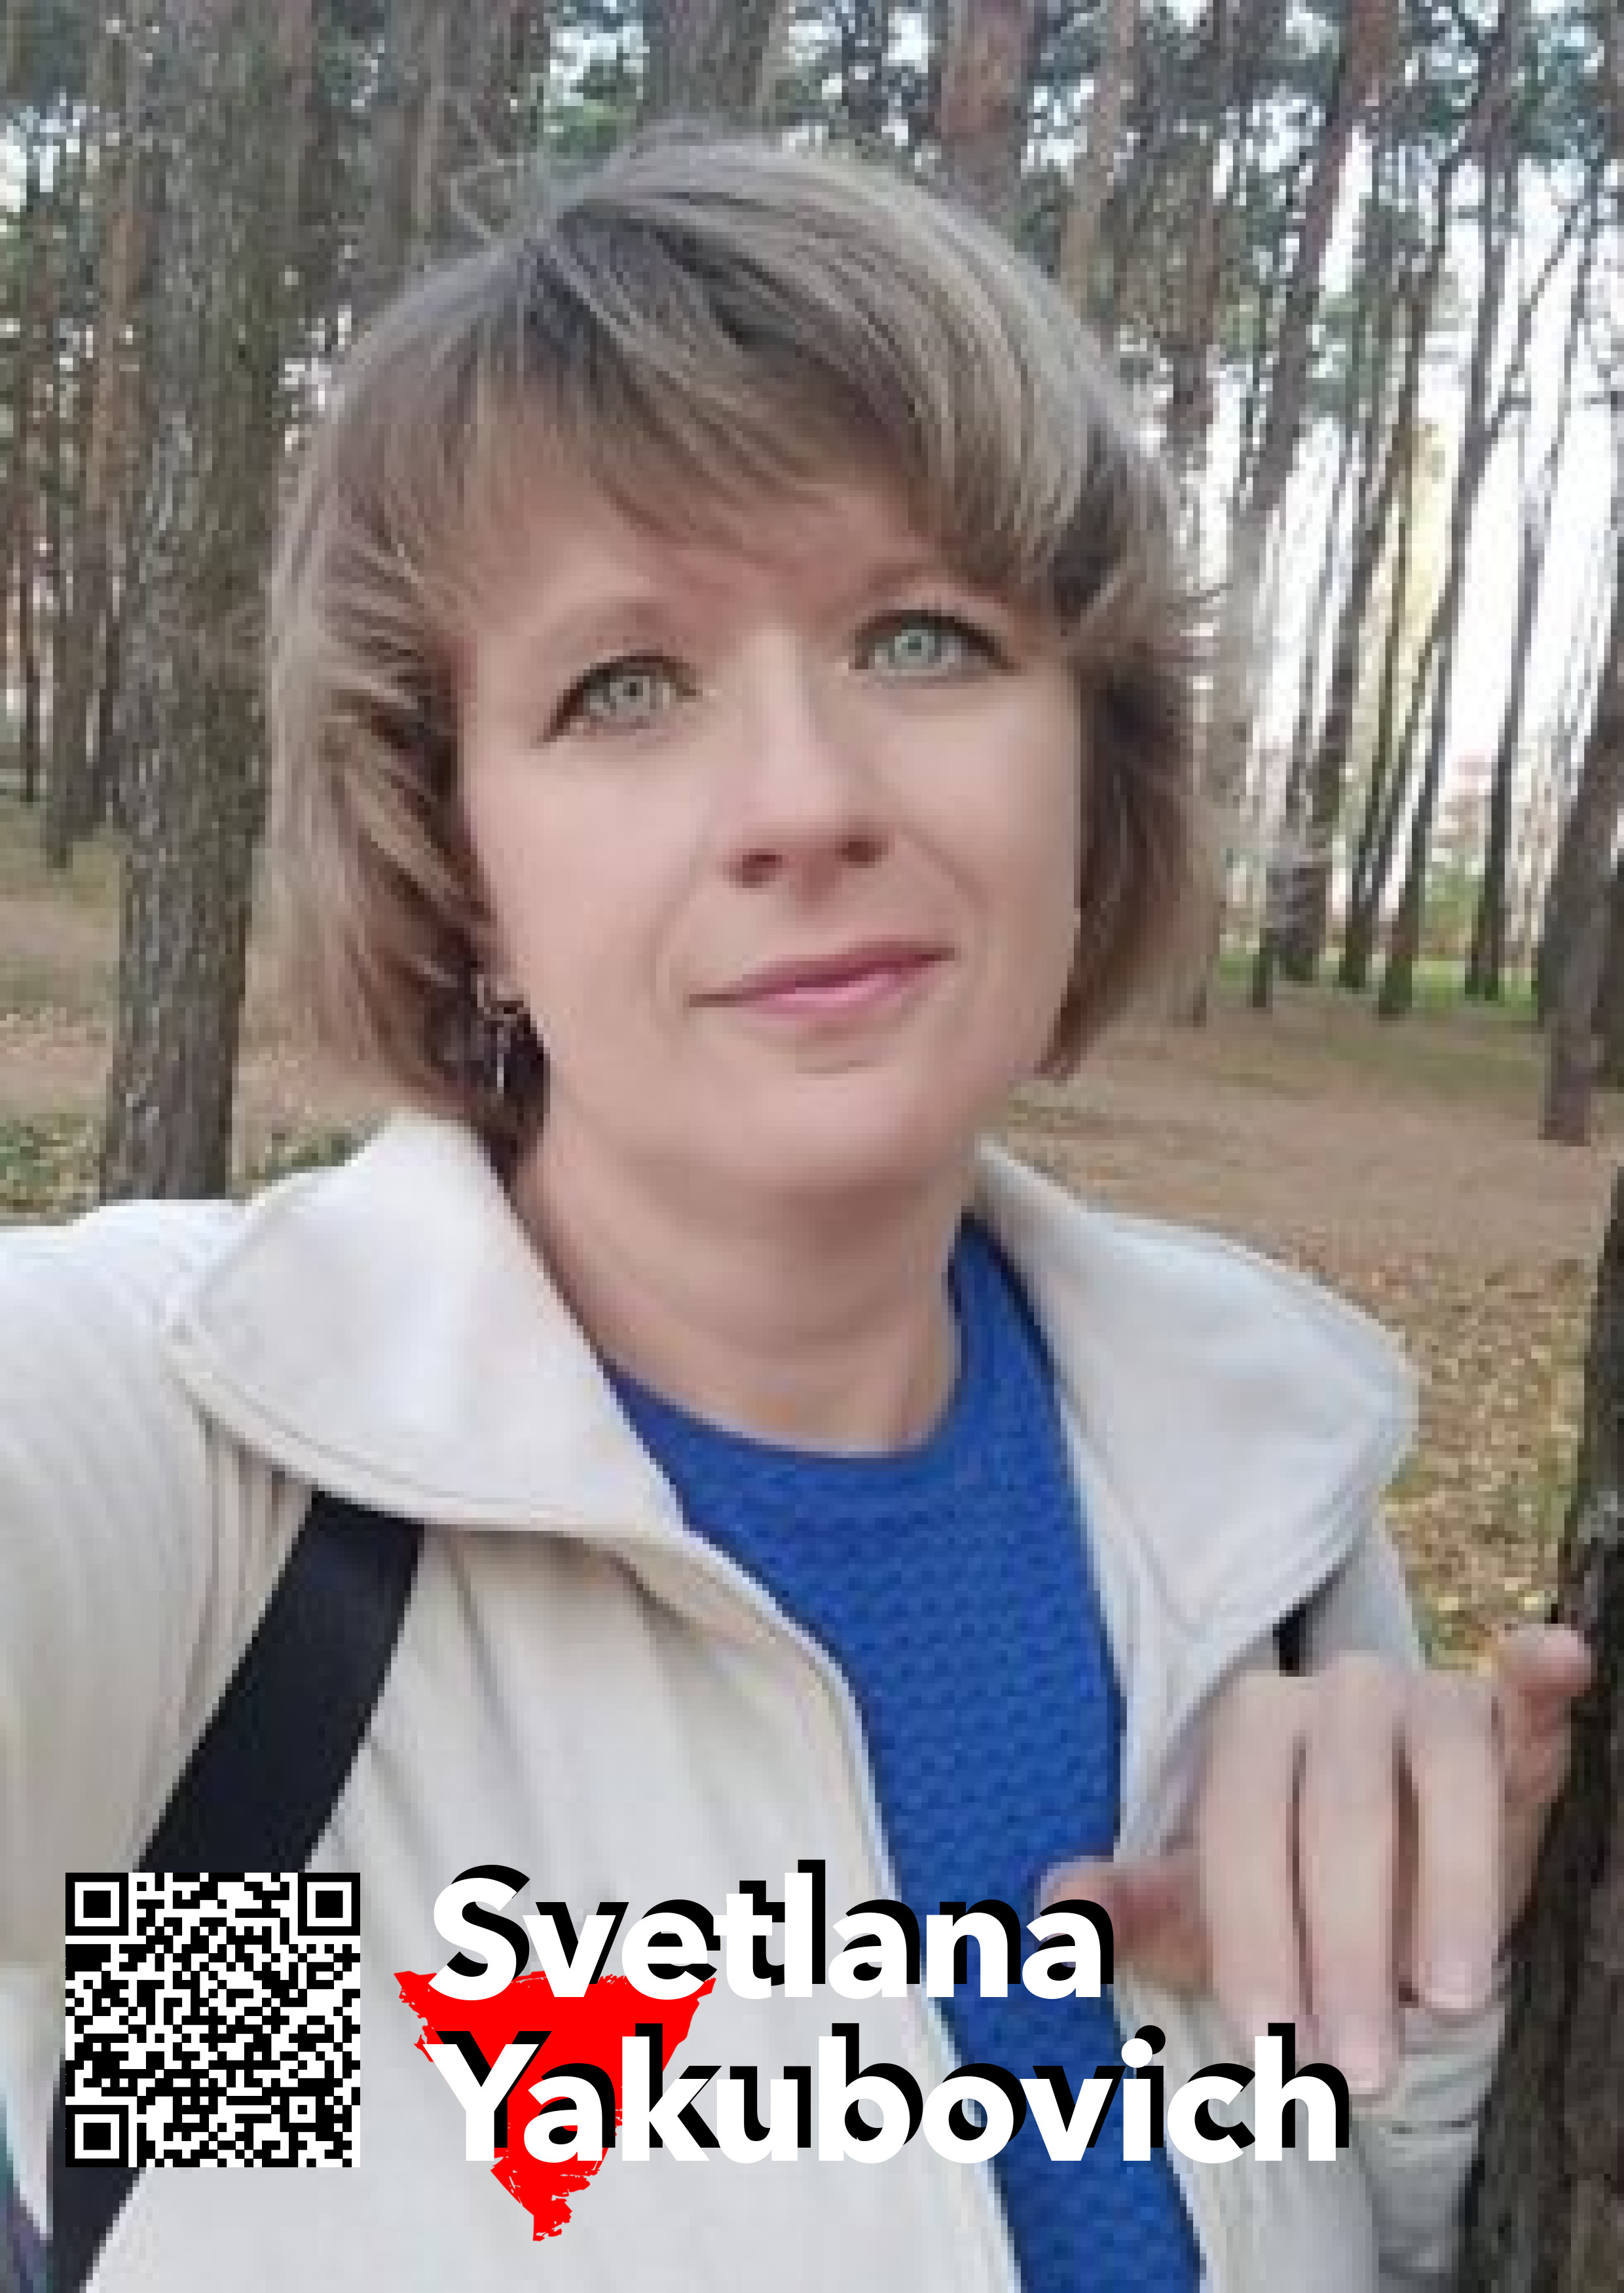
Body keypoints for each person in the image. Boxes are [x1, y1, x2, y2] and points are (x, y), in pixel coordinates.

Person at [0, 129, 1589, 2292]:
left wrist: (1417, 1997)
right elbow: (217, 2175)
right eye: (623, 688)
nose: (808, 803)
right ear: (463, 875)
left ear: (1090, 771)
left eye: (922, 640)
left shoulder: (1253, 1511)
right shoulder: (231, 1542)